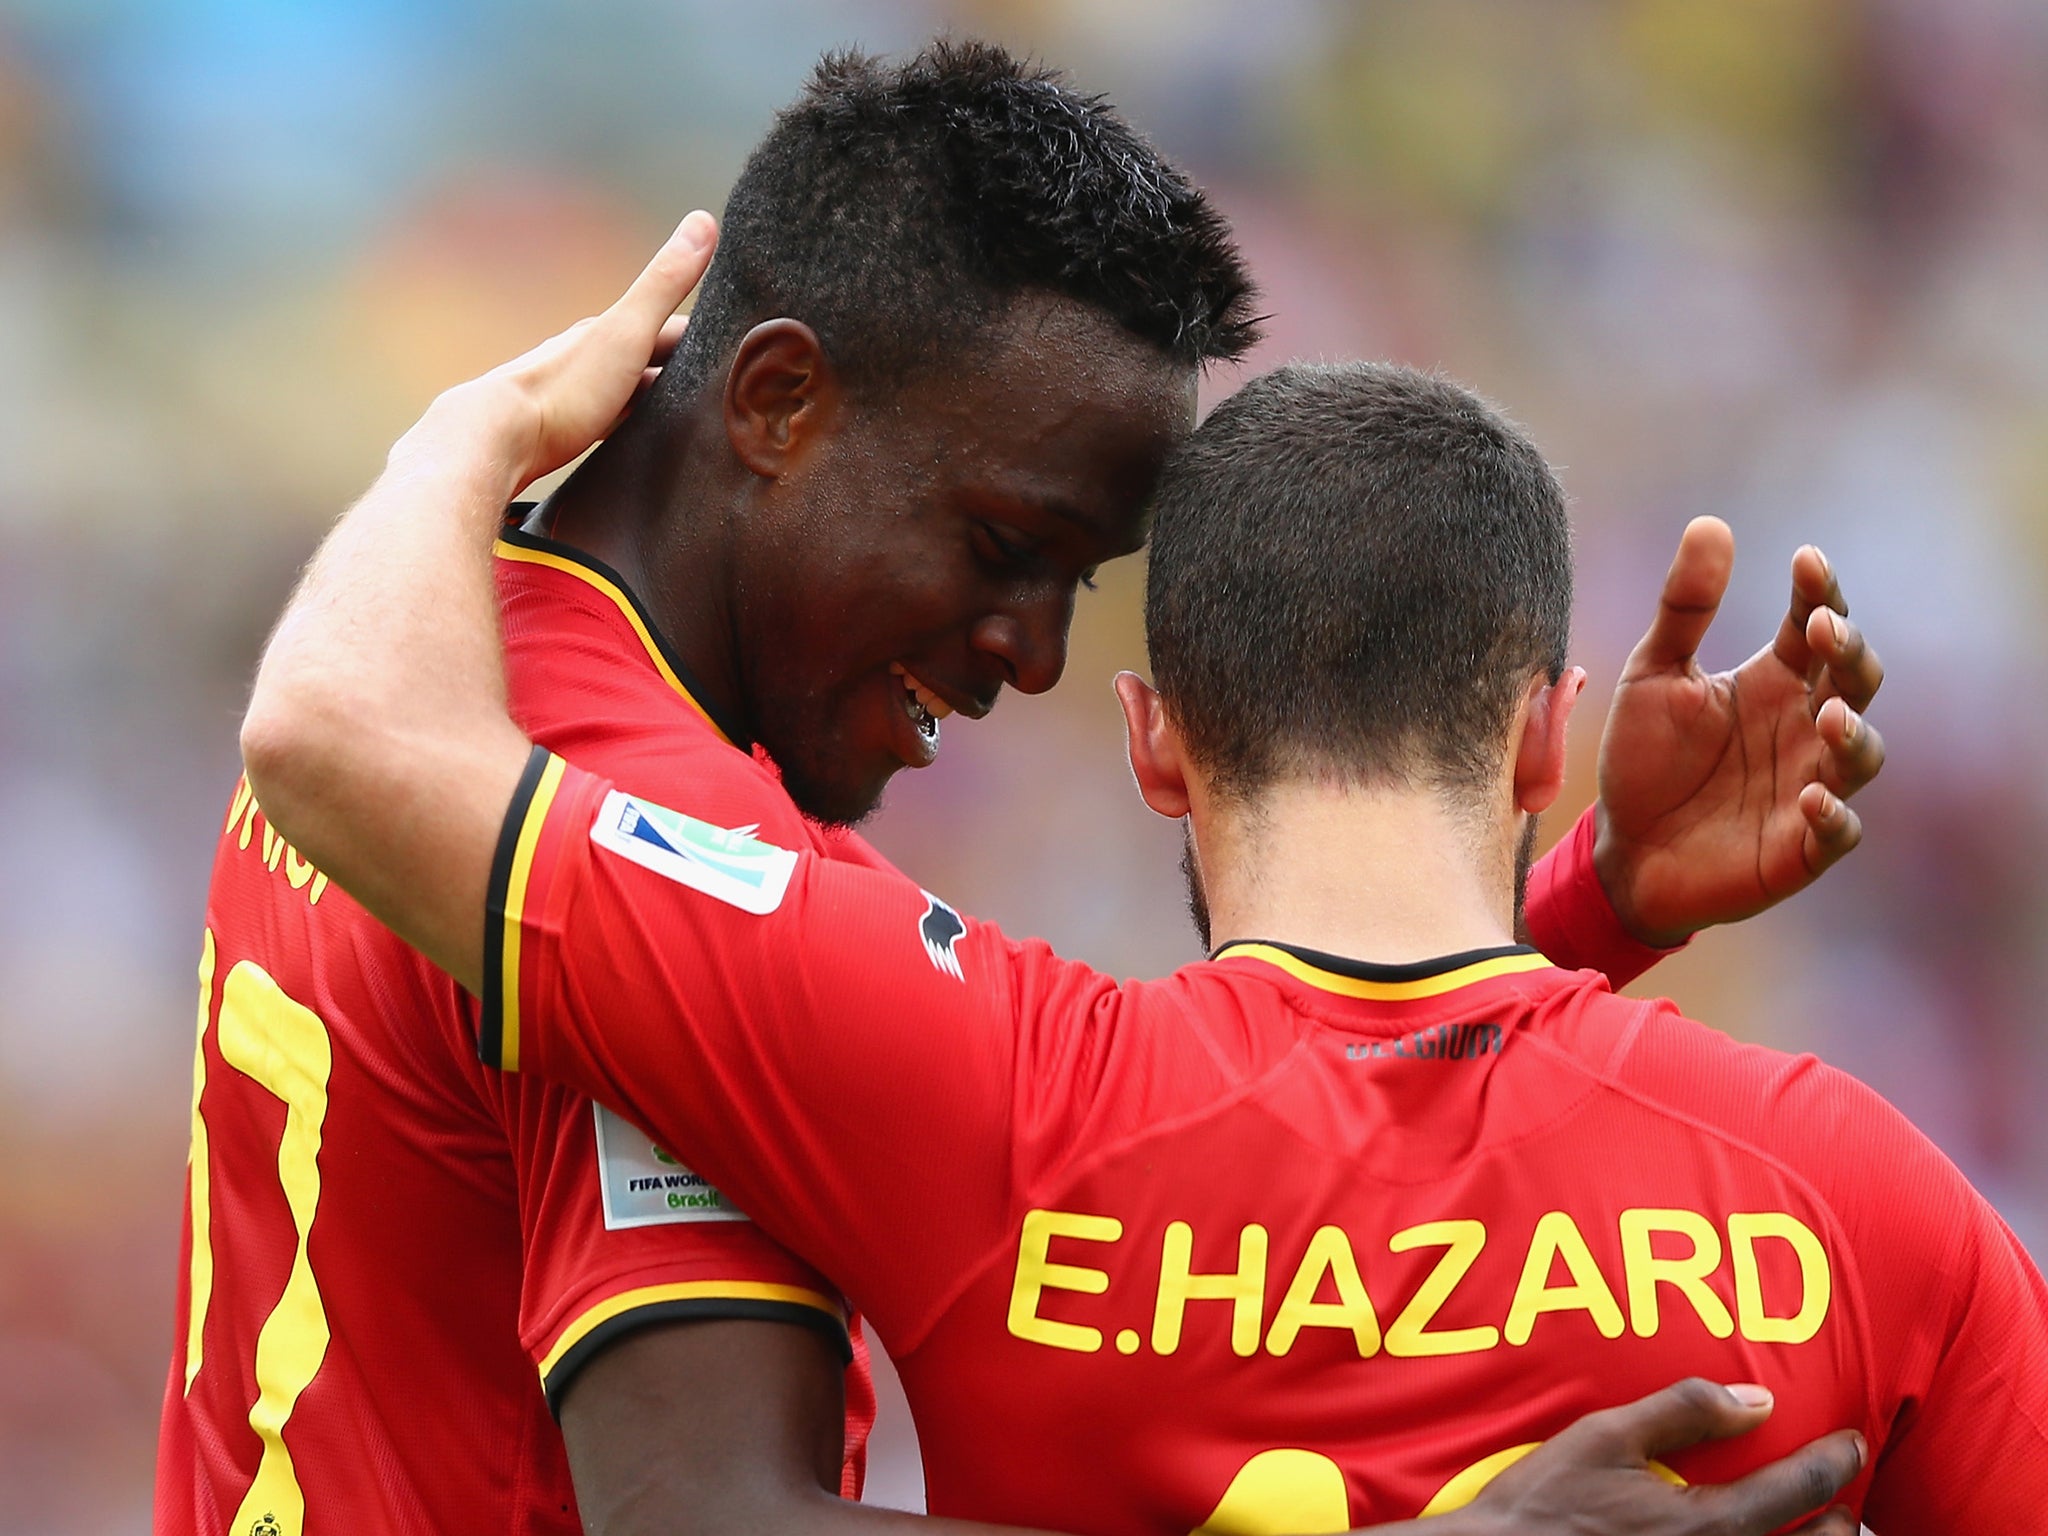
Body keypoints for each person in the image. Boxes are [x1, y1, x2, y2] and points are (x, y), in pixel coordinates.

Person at [185, 44, 1887, 1536]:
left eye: (1080, 581)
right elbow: (703, 1514)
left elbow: (1096, 1154)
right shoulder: (627, 832)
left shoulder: (466, 656)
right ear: (777, 401)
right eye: (1008, 547)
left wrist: (1575, 910)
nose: (1036, 655)